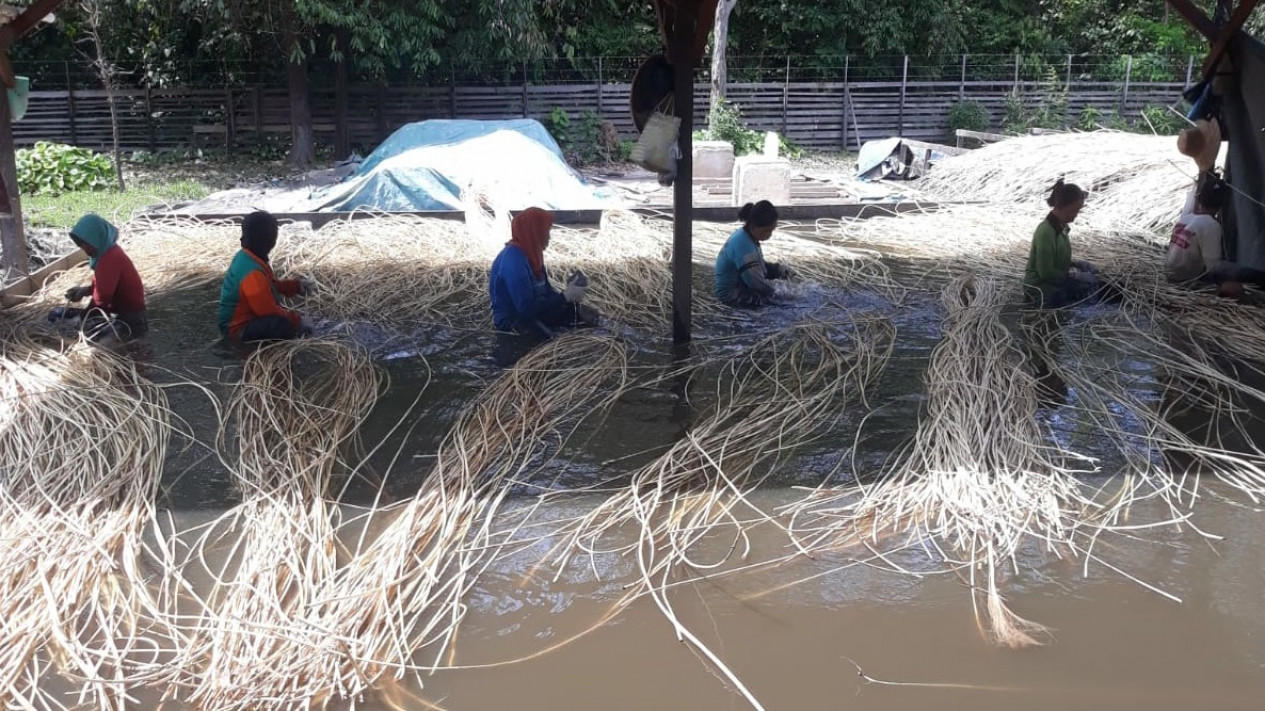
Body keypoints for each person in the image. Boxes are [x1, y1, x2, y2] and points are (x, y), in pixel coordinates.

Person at [489, 207, 594, 365]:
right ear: (535, 232)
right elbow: (526, 311)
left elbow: (545, 293)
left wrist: (571, 300)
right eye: (546, 231)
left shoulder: (532, 254)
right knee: (552, 345)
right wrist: (565, 297)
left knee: (584, 316)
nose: (549, 237)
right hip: (514, 320)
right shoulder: (514, 262)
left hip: (534, 310)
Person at [217, 211, 312, 343]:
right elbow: (267, 311)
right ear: (271, 240)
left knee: (283, 318)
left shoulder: (248, 256)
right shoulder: (252, 272)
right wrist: (297, 320)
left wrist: (296, 286)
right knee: (280, 325)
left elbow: (271, 285)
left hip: (246, 321)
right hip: (238, 330)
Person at [55, 214, 148, 339]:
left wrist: (79, 321)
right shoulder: (107, 254)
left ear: (97, 238)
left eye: (87, 242)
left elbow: (100, 301)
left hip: (129, 320)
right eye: (81, 243)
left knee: (87, 339)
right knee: (56, 314)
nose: (84, 247)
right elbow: (102, 286)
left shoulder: (110, 259)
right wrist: (84, 291)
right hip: (118, 312)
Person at [1022, 179, 1096, 308]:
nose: (1075, 216)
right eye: (1073, 211)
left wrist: (1077, 265)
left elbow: (1058, 261)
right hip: (1039, 288)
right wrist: (1075, 275)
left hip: (1054, 282)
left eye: (1078, 211)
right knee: (1068, 298)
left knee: (1095, 285)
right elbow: (1046, 272)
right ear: (1061, 207)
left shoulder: (1062, 228)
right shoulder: (1046, 232)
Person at [714, 200, 791, 308]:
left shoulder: (746, 236)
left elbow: (759, 265)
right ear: (754, 226)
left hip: (742, 281)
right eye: (767, 231)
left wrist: (778, 270)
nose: (770, 235)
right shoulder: (744, 246)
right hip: (731, 294)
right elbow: (756, 283)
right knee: (778, 303)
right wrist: (778, 292)